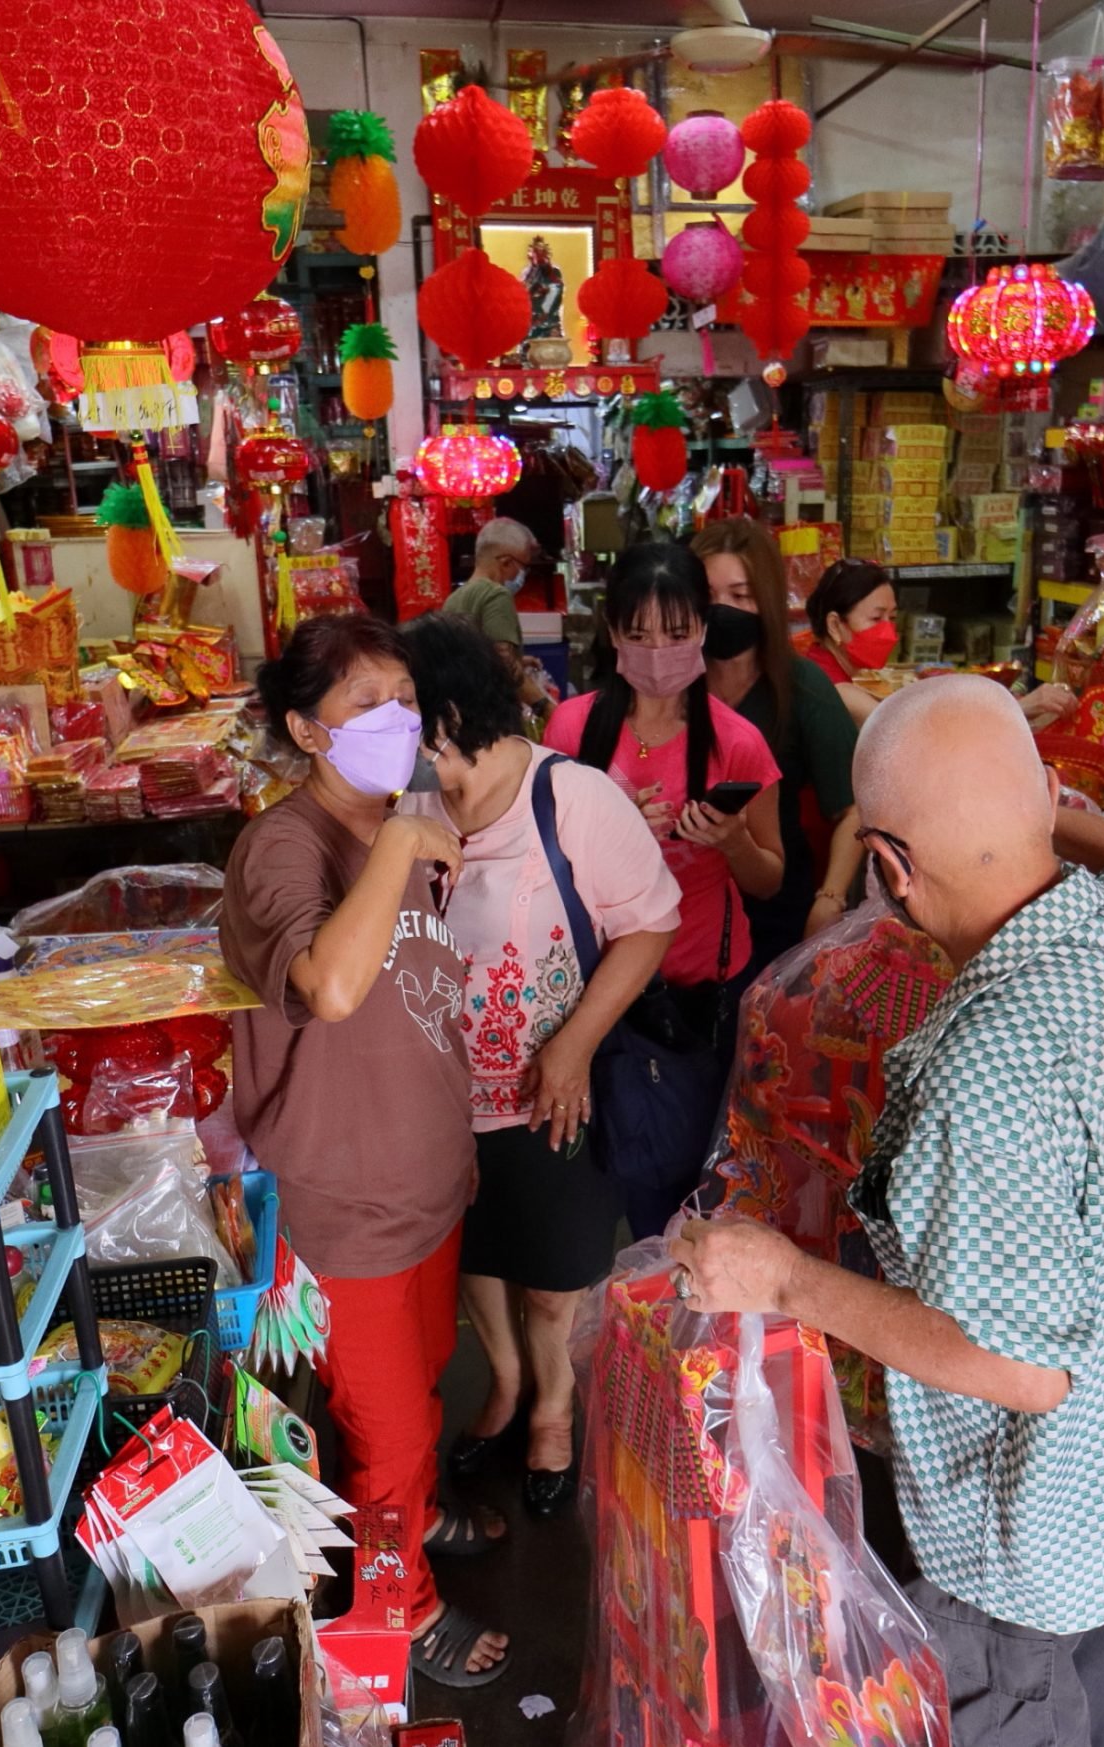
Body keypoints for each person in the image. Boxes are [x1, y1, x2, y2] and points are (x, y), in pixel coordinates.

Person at [669, 675, 1104, 1747]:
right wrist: (1025, 810)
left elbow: (1017, 1367)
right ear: (1040, 799)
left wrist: (783, 1277)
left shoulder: (984, 1064)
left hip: (1031, 1554)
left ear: (887, 868)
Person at [218, 614, 511, 1688]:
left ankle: (416, 1520)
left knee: (421, 1389)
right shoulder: (284, 844)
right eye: (362, 704)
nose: (394, 720)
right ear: (303, 727)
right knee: (383, 1439)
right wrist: (393, 845)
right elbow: (332, 988)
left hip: (426, 1186)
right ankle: (396, 1607)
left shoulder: (405, 812)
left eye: (403, 697)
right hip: (347, 1214)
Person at [398, 615, 681, 1516]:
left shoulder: (572, 799)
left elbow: (650, 926)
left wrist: (573, 1043)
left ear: (450, 714)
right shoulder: (408, 806)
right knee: (477, 1255)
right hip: (440, 1095)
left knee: (555, 1271)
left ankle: (555, 1397)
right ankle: (510, 1383)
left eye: (400, 719)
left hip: (551, 1090)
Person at [546, 541, 783, 1234]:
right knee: (610, 1175)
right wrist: (613, 835)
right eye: (639, 634)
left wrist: (731, 839)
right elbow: (542, 866)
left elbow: (769, 879)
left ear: (703, 631)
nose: (658, 652)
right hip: (597, 994)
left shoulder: (736, 743)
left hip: (699, 998)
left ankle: (677, 1318)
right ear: (614, 634)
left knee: (691, 1183)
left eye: (677, 634)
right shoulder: (573, 727)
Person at [691, 516, 865, 964]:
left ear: (765, 599)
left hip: (776, 909)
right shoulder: (671, 681)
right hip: (682, 905)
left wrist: (830, 898)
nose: (721, 608)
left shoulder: (801, 685)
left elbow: (850, 808)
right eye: (707, 595)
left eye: (739, 595)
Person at [440, 517, 549, 712]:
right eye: (524, 567)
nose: (523, 574)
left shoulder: (453, 599)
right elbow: (503, 663)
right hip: (492, 715)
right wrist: (544, 706)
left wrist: (520, 659)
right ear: (506, 562)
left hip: (463, 712)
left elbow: (473, 658)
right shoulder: (496, 595)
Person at [801, 559, 900, 726]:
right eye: (876, 618)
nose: (888, 632)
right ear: (834, 625)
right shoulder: (841, 692)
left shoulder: (815, 664)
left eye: (892, 618)